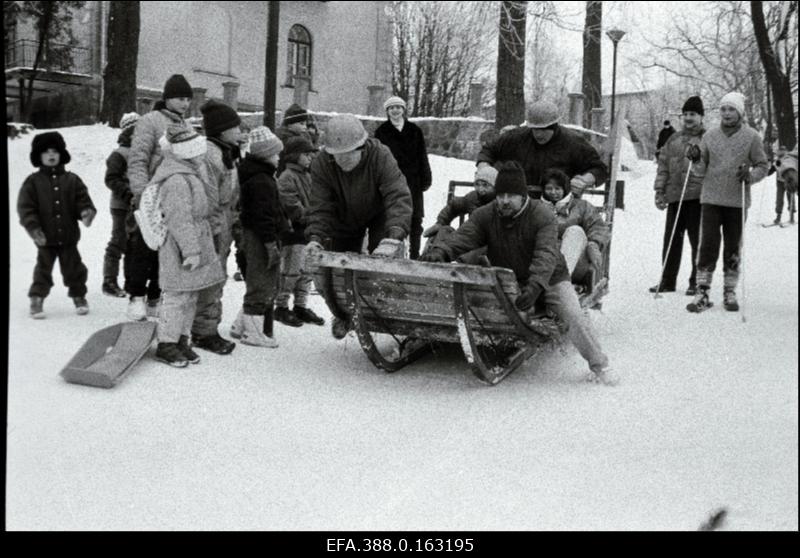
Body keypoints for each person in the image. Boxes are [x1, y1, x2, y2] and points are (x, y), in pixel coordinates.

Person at [418, 161, 617, 386]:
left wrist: (535, 285)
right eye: (500, 195)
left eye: (510, 195)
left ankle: (600, 365)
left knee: (572, 315)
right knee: (487, 304)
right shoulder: (486, 214)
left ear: (522, 196)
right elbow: (465, 237)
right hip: (510, 277)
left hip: (551, 277)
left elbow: (546, 254)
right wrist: (441, 252)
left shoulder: (542, 215)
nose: (503, 201)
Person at [303, 114, 413, 339]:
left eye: (346, 155)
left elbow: (397, 195)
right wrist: (315, 237)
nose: (341, 161)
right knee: (337, 269)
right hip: (342, 218)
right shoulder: (323, 163)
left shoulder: (381, 156)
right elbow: (320, 205)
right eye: (336, 156)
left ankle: (387, 310)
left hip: (378, 214)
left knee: (382, 264)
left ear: (361, 148)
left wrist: (393, 235)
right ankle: (343, 313)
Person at [685, 92, 768, 313]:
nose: (727, 114)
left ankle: (729, 291)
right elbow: (700, 169)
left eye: (731, 109)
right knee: (708, 245)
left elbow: (763, 165)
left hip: (737, 201)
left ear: (740, 112)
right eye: (723, 109)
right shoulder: (710, 136)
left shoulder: (752, 137)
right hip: (711, 198)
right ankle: (702, 292)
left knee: (733, 246)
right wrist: (695, 159)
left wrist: (750, 174)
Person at [153, 124, 226, 367]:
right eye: (197, 151)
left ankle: (182, 339)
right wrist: (191, 250)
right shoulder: (176, 180)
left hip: (196, 241)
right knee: (176, 295)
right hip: (180, 247)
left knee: (191, 294)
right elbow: (179, 219)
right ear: (185, 152)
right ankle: (167, 342)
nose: (202, 155)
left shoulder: (191, 174)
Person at [127, 74, 194, 321]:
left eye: (188, 99)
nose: (185, 103)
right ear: (167, 98)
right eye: (180, 98)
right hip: (151, 194)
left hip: (174, 195)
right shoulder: (150, 121)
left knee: (166, 251)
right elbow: (138, 159)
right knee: (143, 247)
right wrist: (141, 191)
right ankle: (136, 297)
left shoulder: (187, 126)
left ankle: (155, 296)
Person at [18, 131, 97, 319]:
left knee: (74, 269)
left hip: (68, 237)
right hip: (45, 238)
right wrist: (34, 228)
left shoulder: (72, 180)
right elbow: (26, 208)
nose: (51, 155)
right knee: (42, 270)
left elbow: (82, 200)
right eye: (46, 152)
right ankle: (37, 298)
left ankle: (79, 296)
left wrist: (86, 211)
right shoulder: (33, 182)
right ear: (38, 156)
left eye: (54, 151)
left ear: (61, 154)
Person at [188, 99, 244, 355]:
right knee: (211, 278)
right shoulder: (211, 156)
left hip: (223, 223)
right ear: (223, 130)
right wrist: (215, 231)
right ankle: (203, 331)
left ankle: (206, 327)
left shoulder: (225, 153)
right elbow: (210, 200)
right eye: (236, 127)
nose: (240, 131)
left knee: (216, 277)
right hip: (214, 227)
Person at [476, 99, 607, 199]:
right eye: (534, 129)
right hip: (519, 204)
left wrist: (585, 180)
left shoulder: (574, 143)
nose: (538, 134)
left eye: (544, 129)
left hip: (557, 205)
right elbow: (488, 150)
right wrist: (484, 167)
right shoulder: (517, 137)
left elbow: (599, 169)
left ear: (554, 126)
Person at [233, 126, 287, 348]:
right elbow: (263, 215)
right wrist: (270, 243)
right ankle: (253, 333)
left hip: (254, 236)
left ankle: (240, 325)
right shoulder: (261, 181)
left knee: (259, 281)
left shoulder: (258, 176)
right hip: (260, 239)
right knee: (262, 282)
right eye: (275, 154)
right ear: (265, 154)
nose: (279, 158)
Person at [650, 96, 706, 295]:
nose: (689, 118)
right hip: (675, 196)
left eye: (693, 114)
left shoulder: (707, 138)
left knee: (697, 240)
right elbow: (663, 166)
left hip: (698, 197)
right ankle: (668, 279)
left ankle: (696, 281)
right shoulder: (673, 139)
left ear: (701, 117)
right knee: (672, 239)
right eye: (686, 114)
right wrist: (659, 190)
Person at [275, 136, 325, 327]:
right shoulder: (287, 177)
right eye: (306, 154)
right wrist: (310, 217)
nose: (310, 158)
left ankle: (300, 305)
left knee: (307, 271)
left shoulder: (308, 175)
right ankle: (281, 306)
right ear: (295, 156)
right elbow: (291, 205)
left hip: (308, 232)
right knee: (291, 271)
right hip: (294, 232)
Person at [374, 96, 432, 259]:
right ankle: (391, 254)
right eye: (391, 108)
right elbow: (377, 158)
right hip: (390, 181)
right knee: (392, 217)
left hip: (413, 181)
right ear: (387, 111)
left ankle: (414, 255)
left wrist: (426, 176)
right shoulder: (381, 132)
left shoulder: (414, 130)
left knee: (415, 220)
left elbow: (422, 155)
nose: (395, 111)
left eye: (398, 107)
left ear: (404, 110)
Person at [541, 168, 609, 286]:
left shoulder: (581, 207)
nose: (553, 192)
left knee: (575, 231)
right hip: (543, 262)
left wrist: (594, 244)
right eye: (549, 188)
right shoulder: (537, 208)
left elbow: (598, 227)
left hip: (576, 262)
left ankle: (558, 281)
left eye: (557, 189)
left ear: (565, 189)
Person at [421, 165, 498, 263]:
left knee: (479, 253)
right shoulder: (472, 197)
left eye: (485, 185)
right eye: (477, 184)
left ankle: (458, 264)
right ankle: (433, 258)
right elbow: (454, 206)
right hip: (469, 238)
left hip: (486, 242)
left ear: (494, 186)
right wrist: (441, 222)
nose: (480, 189)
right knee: (445, 231)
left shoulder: (498, 203)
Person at [102, 112, 140, 298]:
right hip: (121, 206)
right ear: (129, 133)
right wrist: (126, 192)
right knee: (118, 240)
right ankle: (109, 281)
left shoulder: (142, 153)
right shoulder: (119, 154)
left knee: (134, 244)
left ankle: (130, 281)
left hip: (138, 206)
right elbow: (111, 179)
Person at [276, 103, 315, 175]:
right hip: (285, 173)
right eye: (301, 124)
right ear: (290, 125)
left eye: (305, 124)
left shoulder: (304, 135)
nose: (305, 127)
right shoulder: (282, 137)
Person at [769, 145, 795, 225]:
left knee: (790, 198)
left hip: (789, 181)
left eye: (782, 153)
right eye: (779, 153)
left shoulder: (789, 160)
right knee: (779, 199)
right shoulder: (777, 161)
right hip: (780, 182)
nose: (780, 154)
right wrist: (766, 173)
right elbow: (771, 170)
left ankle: (791, 216)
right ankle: (778, 217)